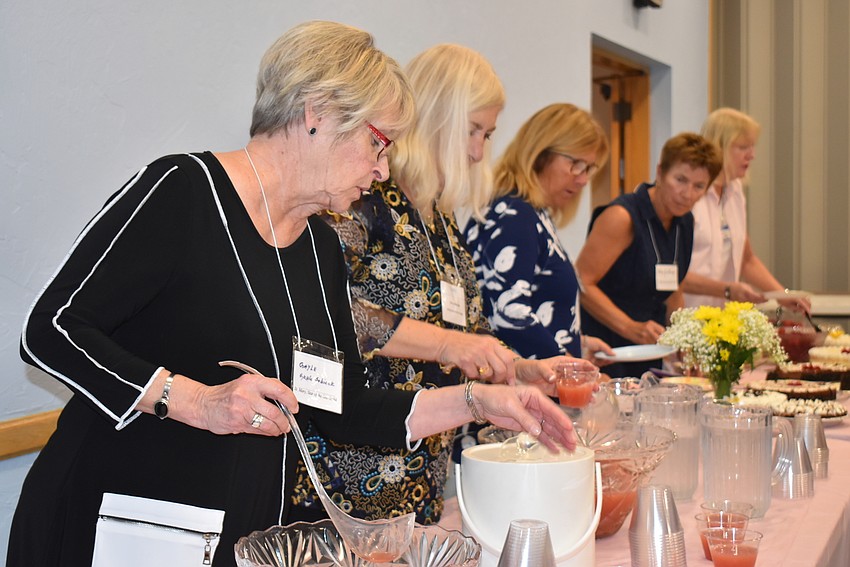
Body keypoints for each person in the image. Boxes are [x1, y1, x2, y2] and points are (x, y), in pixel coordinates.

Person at [7, 22, 577, 567]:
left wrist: (479, 401)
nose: (383, 172)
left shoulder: (319, 247)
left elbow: (344, 407)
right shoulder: (184, 192)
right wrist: (195, 401)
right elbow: (50, 329)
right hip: (124, 522)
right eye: (379, 145)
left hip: (242, 532)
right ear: (318, 114)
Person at [288, 45, 591, 526]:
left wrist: (520, 368)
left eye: (487, 135)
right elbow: (334, 313)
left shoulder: (440, 215)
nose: (478, 151)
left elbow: (467, 330)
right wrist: (450, 344)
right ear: (436, 118)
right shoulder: (358, 197)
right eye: (472, 130)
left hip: (422, 471)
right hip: (351, 471)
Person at [464, 103, 615, 363]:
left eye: (589, 169)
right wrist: (571, 368)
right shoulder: (514, 214)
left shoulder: (531, 213)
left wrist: (578, 342)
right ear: (539, 154)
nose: (582, 179)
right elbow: (508, 312)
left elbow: (534, 304)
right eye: (576, 164)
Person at [575, 133, 723, 377]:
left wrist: (683, 340)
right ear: (660, 172)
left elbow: (673, 286)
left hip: (646, 351)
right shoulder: (622, 217)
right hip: (605, 351)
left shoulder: (684, 220)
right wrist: (630, 327)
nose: (687, 194)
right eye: (680, 180)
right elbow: (582, 282)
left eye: (698, 186)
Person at [682, 107, 811, 313]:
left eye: (752, 146)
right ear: (719, 146)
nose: (752, 155)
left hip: (722, 317)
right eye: (743, 147)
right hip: (686, 314)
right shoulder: (689, 197)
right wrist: (726, 290)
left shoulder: (734, 191)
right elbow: (674, 274)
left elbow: (747, 260)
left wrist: (783, 295)